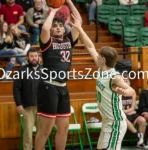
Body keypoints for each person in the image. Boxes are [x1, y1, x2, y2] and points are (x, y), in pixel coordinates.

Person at [70, 13, 136, 150]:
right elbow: (90, 47)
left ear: (103, 59)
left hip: (115, 122)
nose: (97, 55)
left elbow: (132, 90)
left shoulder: (115, 77)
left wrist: (124, 91)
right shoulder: (101, 68)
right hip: (107, 121)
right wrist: (80, 28)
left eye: (99, 55)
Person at [34, 1, 82, 150]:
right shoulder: (47, 42)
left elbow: (78, 22)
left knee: (64, 127)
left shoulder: (68, 40)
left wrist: (69, 2)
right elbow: (45, 29)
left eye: (60, 25)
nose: (58, 28)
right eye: (55, 26)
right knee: (45, 130)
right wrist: (53, 11)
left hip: (63, 87)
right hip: (49, 86)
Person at [13, 48, 41, 150]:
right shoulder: (21, 71)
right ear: (27, 58)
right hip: (27, 108)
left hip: (42, 108)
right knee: (28, 135)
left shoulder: (44, 70)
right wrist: (18, 104)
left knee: (41, 134)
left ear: (38, 58)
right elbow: (16, 89)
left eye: (35, 56)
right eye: (32, 56)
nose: (34, 58)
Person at [122, 75, 148, 149]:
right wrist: (125, 112)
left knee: (142, 120)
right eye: (123, 81)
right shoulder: (117, 93)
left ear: (130, 83)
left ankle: (140, 143)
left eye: (126, 81)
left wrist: (128, 111)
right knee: (123, 118)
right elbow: (118, 110)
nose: (124, 82)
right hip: (121, 115)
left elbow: (133, 108)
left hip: (131, 113)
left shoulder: (132, 92)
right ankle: (138, 135)